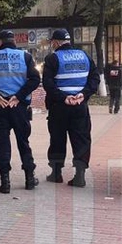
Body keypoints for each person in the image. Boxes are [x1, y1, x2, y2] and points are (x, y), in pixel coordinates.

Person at [0, 29, 41, 194]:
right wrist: (18, 97)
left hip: (1, 106)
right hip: (18, 107)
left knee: (2, 144)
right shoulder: (25, 57)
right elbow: (35, 79)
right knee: (23, 142)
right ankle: (29, 178)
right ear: (14, 42)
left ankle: (5, 182)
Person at [41, 28, 99, 187]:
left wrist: (64, 97)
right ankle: (80, 174)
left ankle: (56, 173)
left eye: (52, 42)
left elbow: (48, 84)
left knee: (57, 138)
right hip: (80, 106)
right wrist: (83, 95)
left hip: (59, 106)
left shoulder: (53, 58)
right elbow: (94, 79)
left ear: (56, 42)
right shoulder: (85, 56)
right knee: (81, 139)